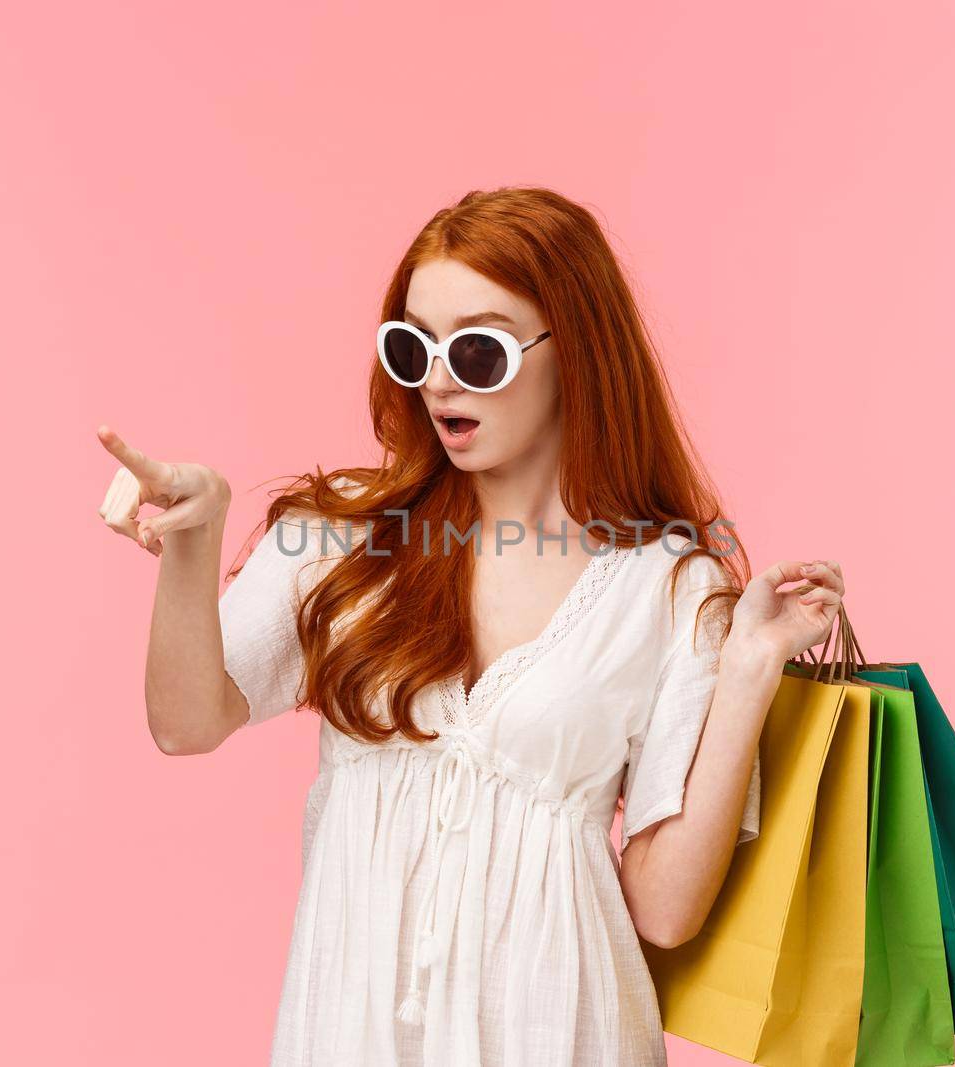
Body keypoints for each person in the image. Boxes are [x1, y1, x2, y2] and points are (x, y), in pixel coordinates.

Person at [95, 186, 846, 1066]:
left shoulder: (668, 586)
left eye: (479, 350)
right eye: (415, 346)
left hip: (560, 1031)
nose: (440, 380)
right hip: (352, 1030)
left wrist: (751, 667)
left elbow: (665, 908)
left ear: (578, 351)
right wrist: (197, 540)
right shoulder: (339, 540)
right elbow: (186, 722)